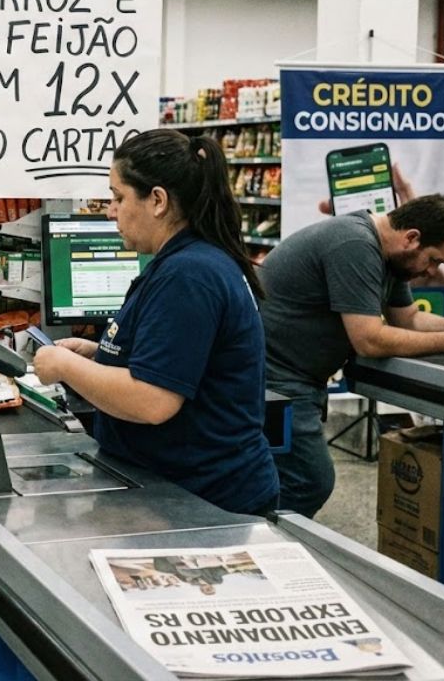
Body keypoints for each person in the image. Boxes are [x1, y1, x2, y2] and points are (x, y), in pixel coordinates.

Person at [33, 129, 279, 516]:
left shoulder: (189, 274)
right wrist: (100, 353)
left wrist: (64, 366)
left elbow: (153, 400)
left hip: (204, 499)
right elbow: (182, 360)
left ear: (158, 200)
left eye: (118, 197)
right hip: (179, 486)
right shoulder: (186, 261)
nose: (111, 211)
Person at [260, 194, 444, 517]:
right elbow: (369, 340)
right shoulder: (355, 245)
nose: (430, 271)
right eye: (432, 260)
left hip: (297, 376)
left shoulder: (392, 260)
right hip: (275, 376)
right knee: (310, 480)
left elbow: (410, 318)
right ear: (412, 238)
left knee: (287, 476)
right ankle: (258, 546)